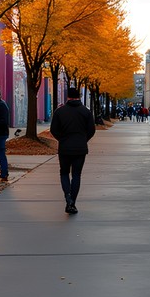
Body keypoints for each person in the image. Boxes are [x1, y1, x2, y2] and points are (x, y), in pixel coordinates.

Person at [50, 86, 96, 214]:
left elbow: (54, 130)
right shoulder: (86, 112)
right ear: (79, 97)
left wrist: (62, 139)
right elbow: (91, 130)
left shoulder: (59, 112)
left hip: (65, 148)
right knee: (76, 175)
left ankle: (67, 197)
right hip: (80, 148)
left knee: (64, 173)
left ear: (67, 97)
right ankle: (72, 202)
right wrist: (83, 140)